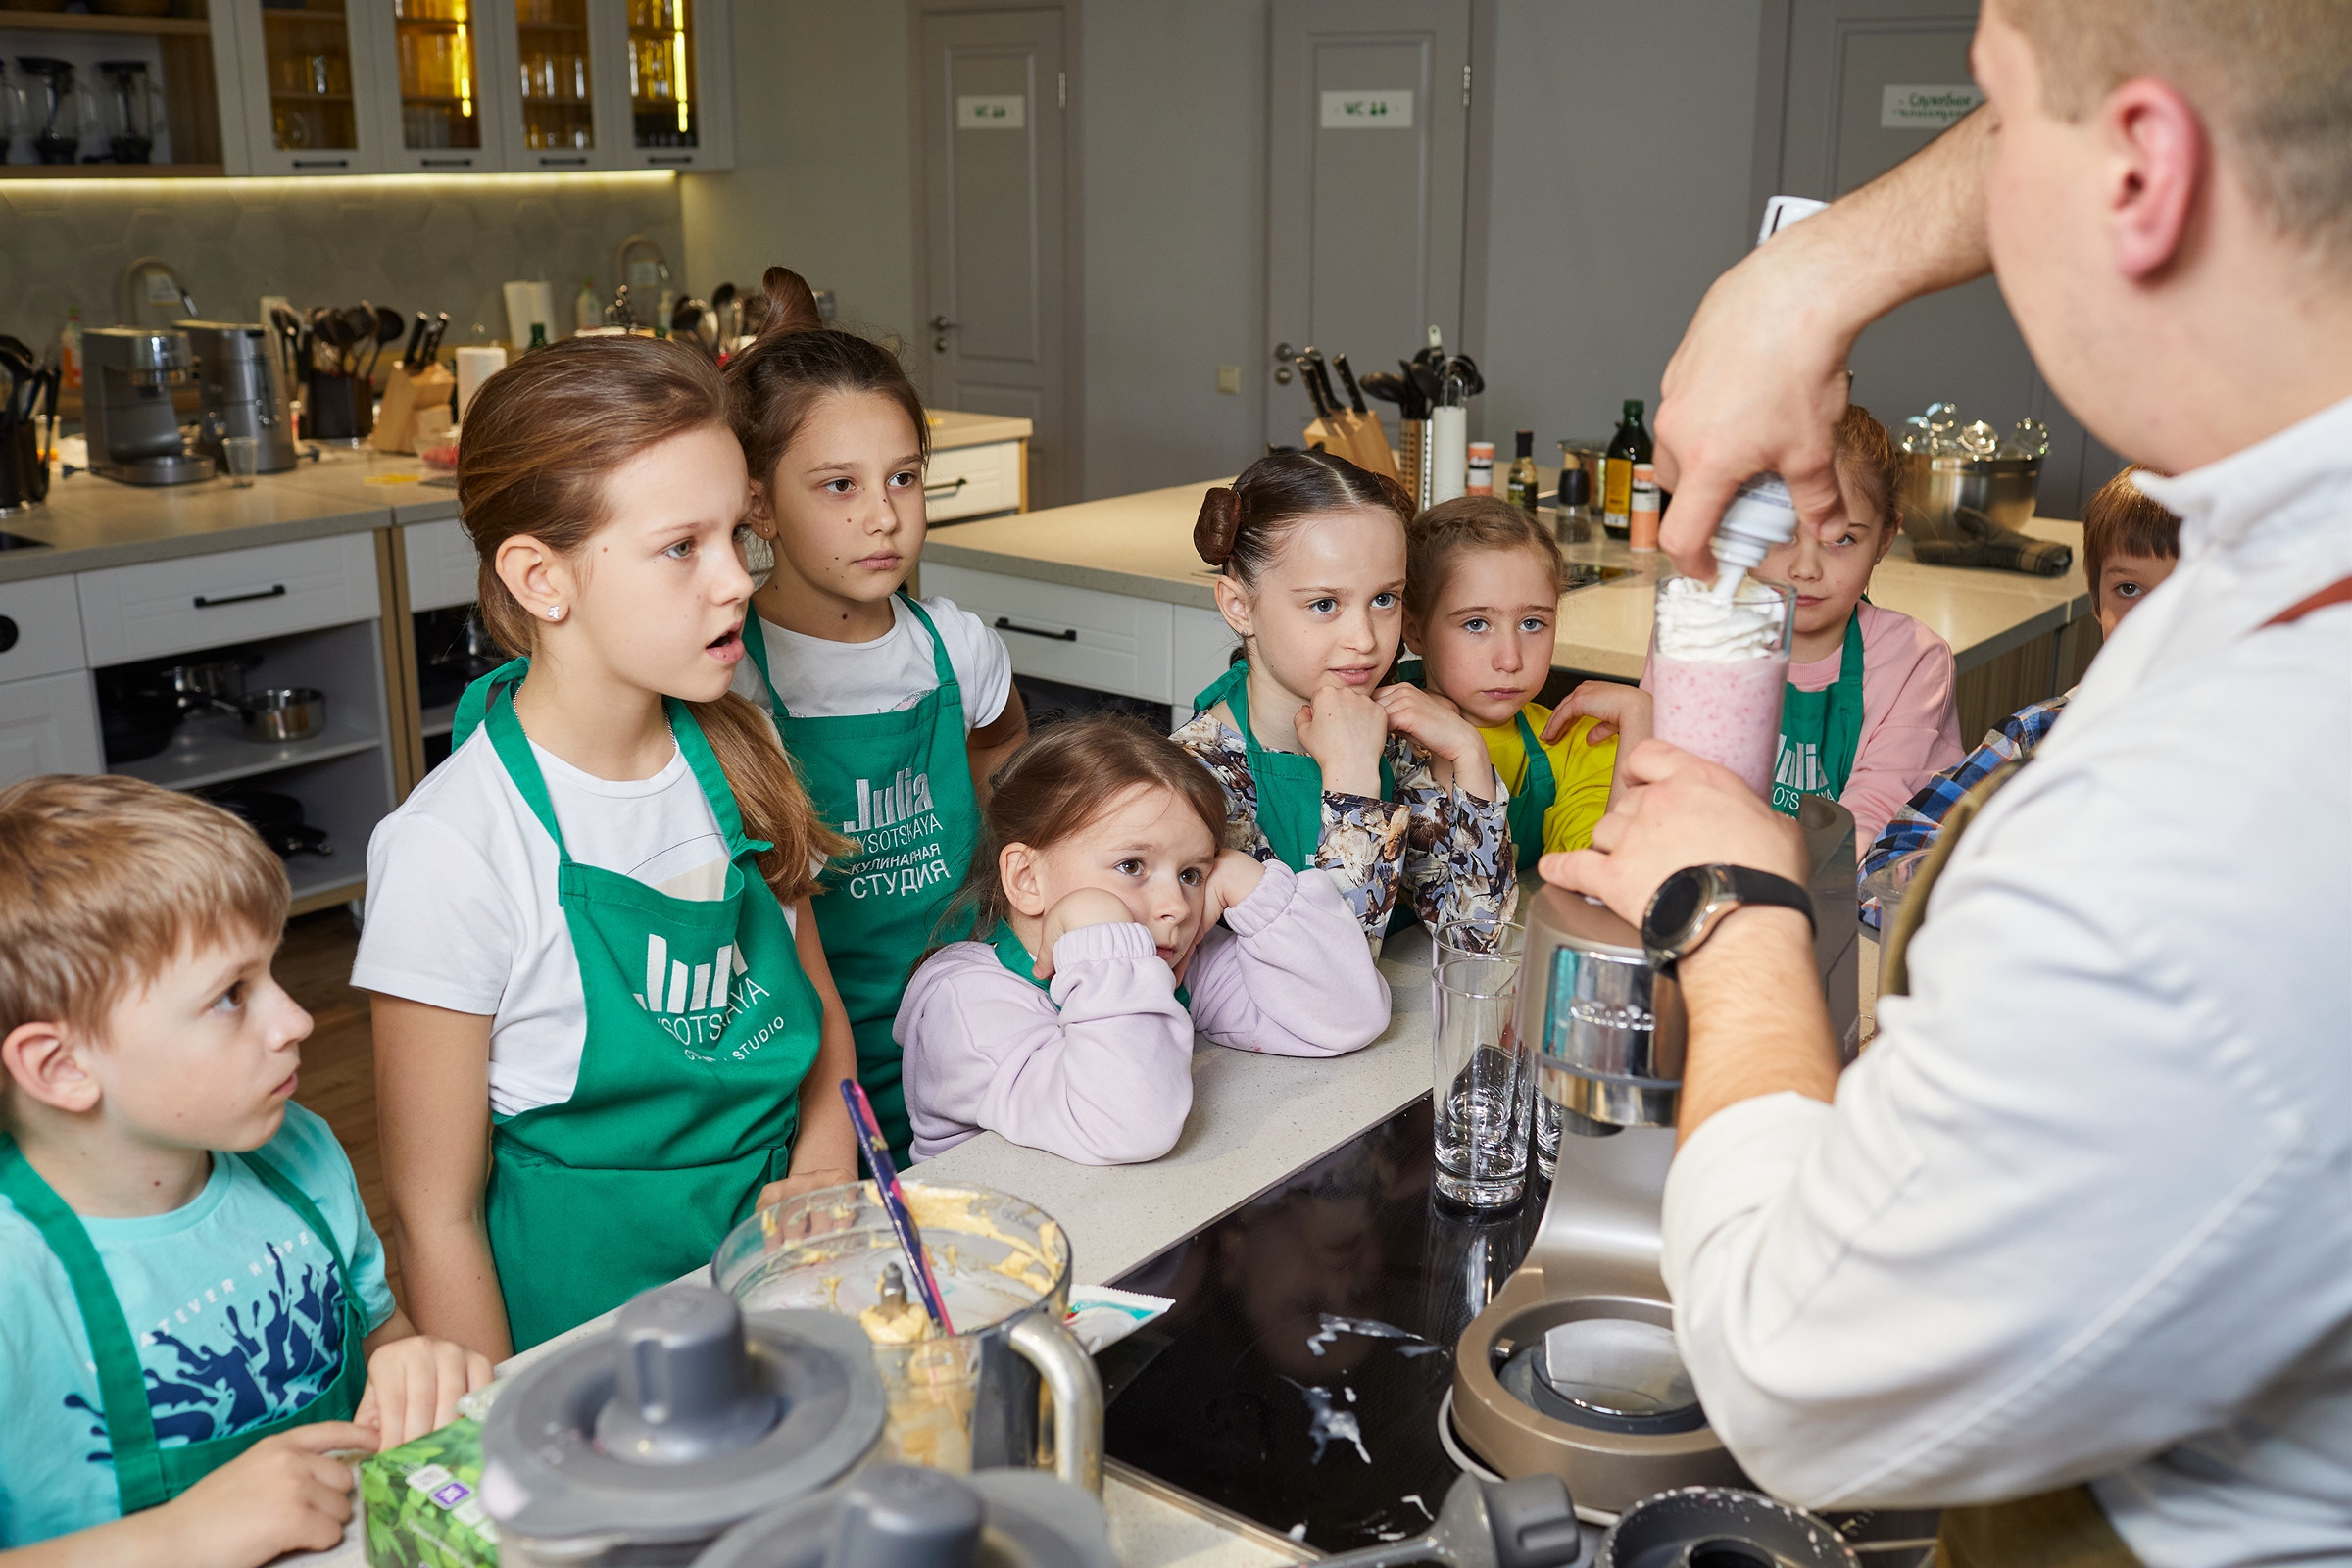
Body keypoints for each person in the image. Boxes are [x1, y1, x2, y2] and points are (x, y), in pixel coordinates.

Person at [1543, 0, 2352, 1561]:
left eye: (1993, 112)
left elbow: (1793, 1370)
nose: (1970, 182)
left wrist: (1742, 912)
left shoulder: (2212, 829)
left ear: (2139, 169)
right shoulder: (2279, 557)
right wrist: (1808, 279)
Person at [357, 336, 858, 1357]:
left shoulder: (741, 755)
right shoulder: (452, 850)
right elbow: (434, 1214)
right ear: (542, 577)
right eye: (683, 547)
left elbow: (817, 1012)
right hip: (588, 1339)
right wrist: (503, 1436)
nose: (736, 582)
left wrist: (822, 1163)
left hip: (782, 1286)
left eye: (736, 536)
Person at [0, 776, 490, 1563]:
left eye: (271, 972)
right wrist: (182, 1536)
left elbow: (378, 1339)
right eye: (231, 995)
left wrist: (410, 1360)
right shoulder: (16, 1279)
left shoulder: (301, 1152)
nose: (297, 1019)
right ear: (60, 1067)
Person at [727, 266, 1028, 1159]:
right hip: (822, 1066)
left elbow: (1007, 748)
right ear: (758, 506)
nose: (883, 517)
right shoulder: (734, 677)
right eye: (838, 487)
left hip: (968, 1034)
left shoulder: (956, 647)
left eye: (903, 478)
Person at [897, 715, 1388, 1163]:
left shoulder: (1168, 956)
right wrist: (1098, 927)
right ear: (1027, 878)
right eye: (1131, 866)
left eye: (1192, 873)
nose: (1174, 904)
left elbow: (1345, 1019)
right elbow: (1131, 1126)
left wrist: (1247, 880)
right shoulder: (966, 1003)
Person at [1547, 406, 1963, 854]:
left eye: (1842, 539)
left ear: (1884, 539)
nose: (1806, 568)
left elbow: (1865, 827)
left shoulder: (1913, 664)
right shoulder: (1698, 634)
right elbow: (1663, 793)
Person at [1173, 451, 1514, 948]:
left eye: (1384, 599)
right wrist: (1353, 781)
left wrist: (1468, 753)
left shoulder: (1395, 739)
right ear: (1239, 606)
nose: (1365, 639)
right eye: (1324, 604)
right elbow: (1330, 984)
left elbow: (1477, 934)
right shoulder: (1197, 779)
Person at [1860, 466, 2180, 931]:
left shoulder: (2287, 754)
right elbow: (1886, 871)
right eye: (2128, 589)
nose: (2155, 619)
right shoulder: (2039, 737)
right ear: (2096, 601)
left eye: (2188, 591)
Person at [1401, 495, 1615, 867]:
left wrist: (1640, 723)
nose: (1511, 660)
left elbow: (1607, 873)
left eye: (1531, 624)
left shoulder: (1576, 743)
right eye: (1476, 624)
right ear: (1414, 631)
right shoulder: (1378, 740)